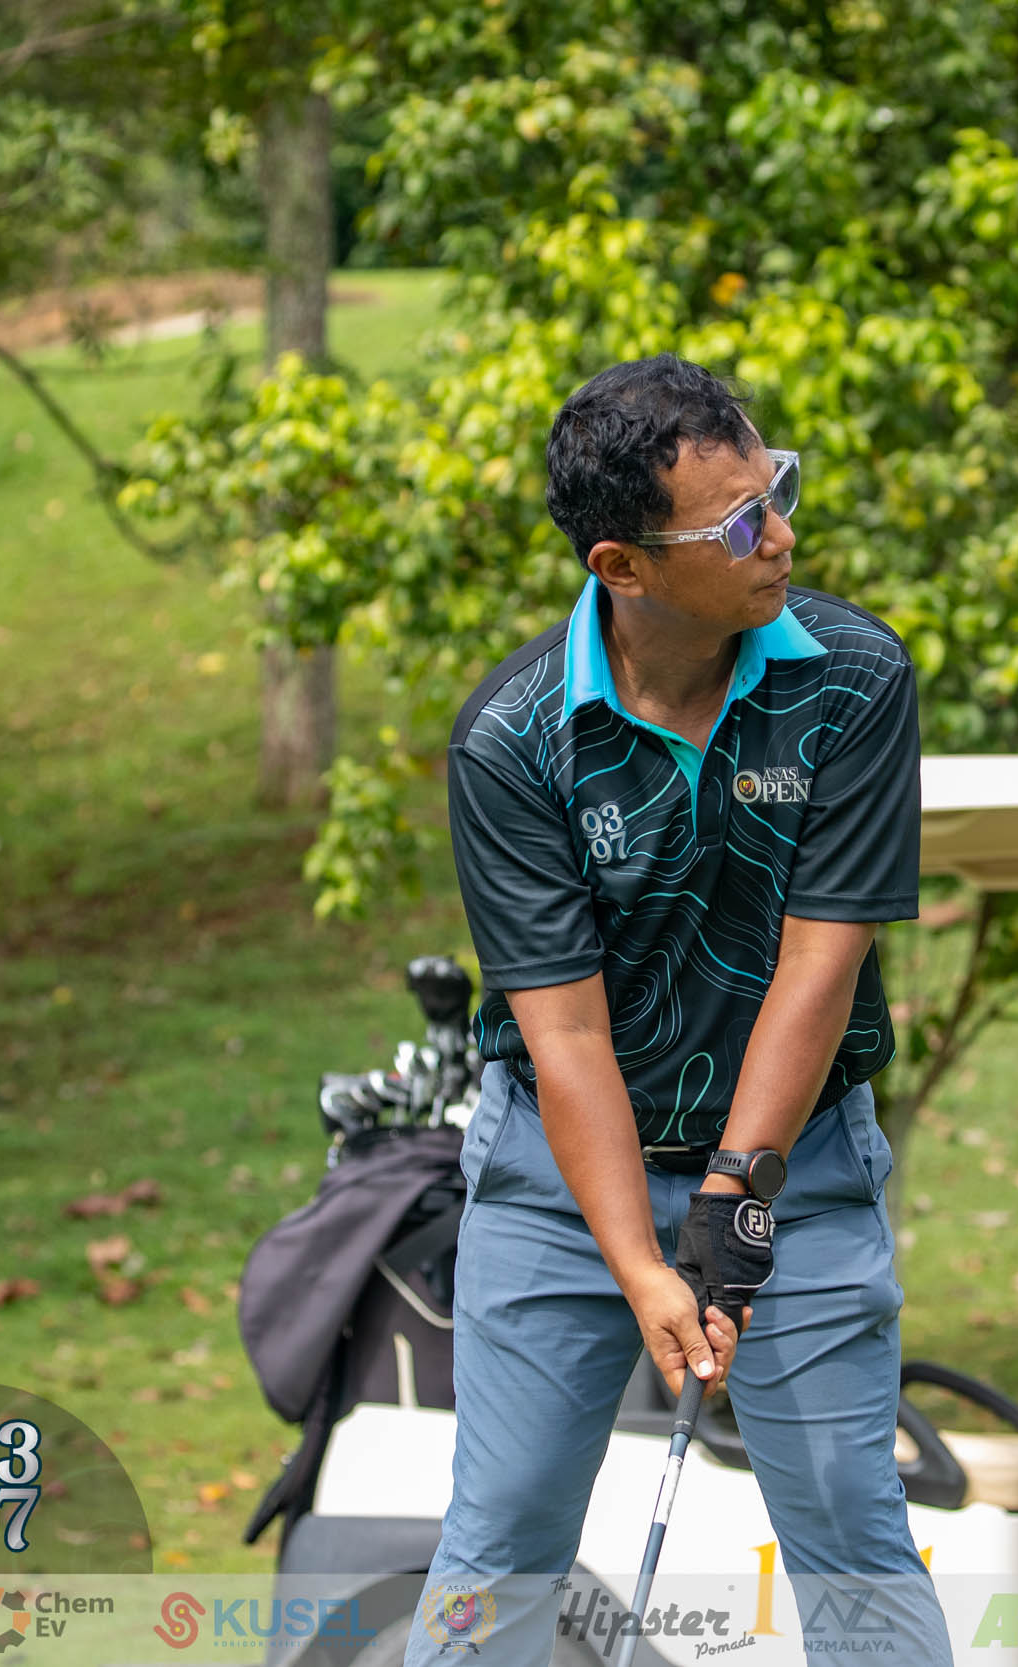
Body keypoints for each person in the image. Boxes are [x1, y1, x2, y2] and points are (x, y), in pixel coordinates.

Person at [400, 354, 951, 1665]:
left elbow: (820, 964)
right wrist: (644, 1264)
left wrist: (734, 1196)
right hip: (558, 1183)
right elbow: (566, 1035)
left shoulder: (853, 678)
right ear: (624, 566)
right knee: (502, 1535)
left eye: (777, 493)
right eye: (739, 525)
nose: (782, 539)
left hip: (795, 1170)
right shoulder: (514, 740)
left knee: (849, 1522)